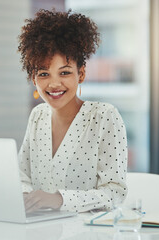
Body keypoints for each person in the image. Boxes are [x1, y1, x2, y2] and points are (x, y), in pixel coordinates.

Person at [17, 9, 128, 213]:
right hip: (41, 229)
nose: (54, 83)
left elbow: (114, 192)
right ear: (33, 79)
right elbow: (22, 177)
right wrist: (25, 197)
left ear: (81, 73)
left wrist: (59, 200)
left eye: (65, 72)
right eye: (44, 74)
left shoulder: (104, 116)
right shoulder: (37, 116)